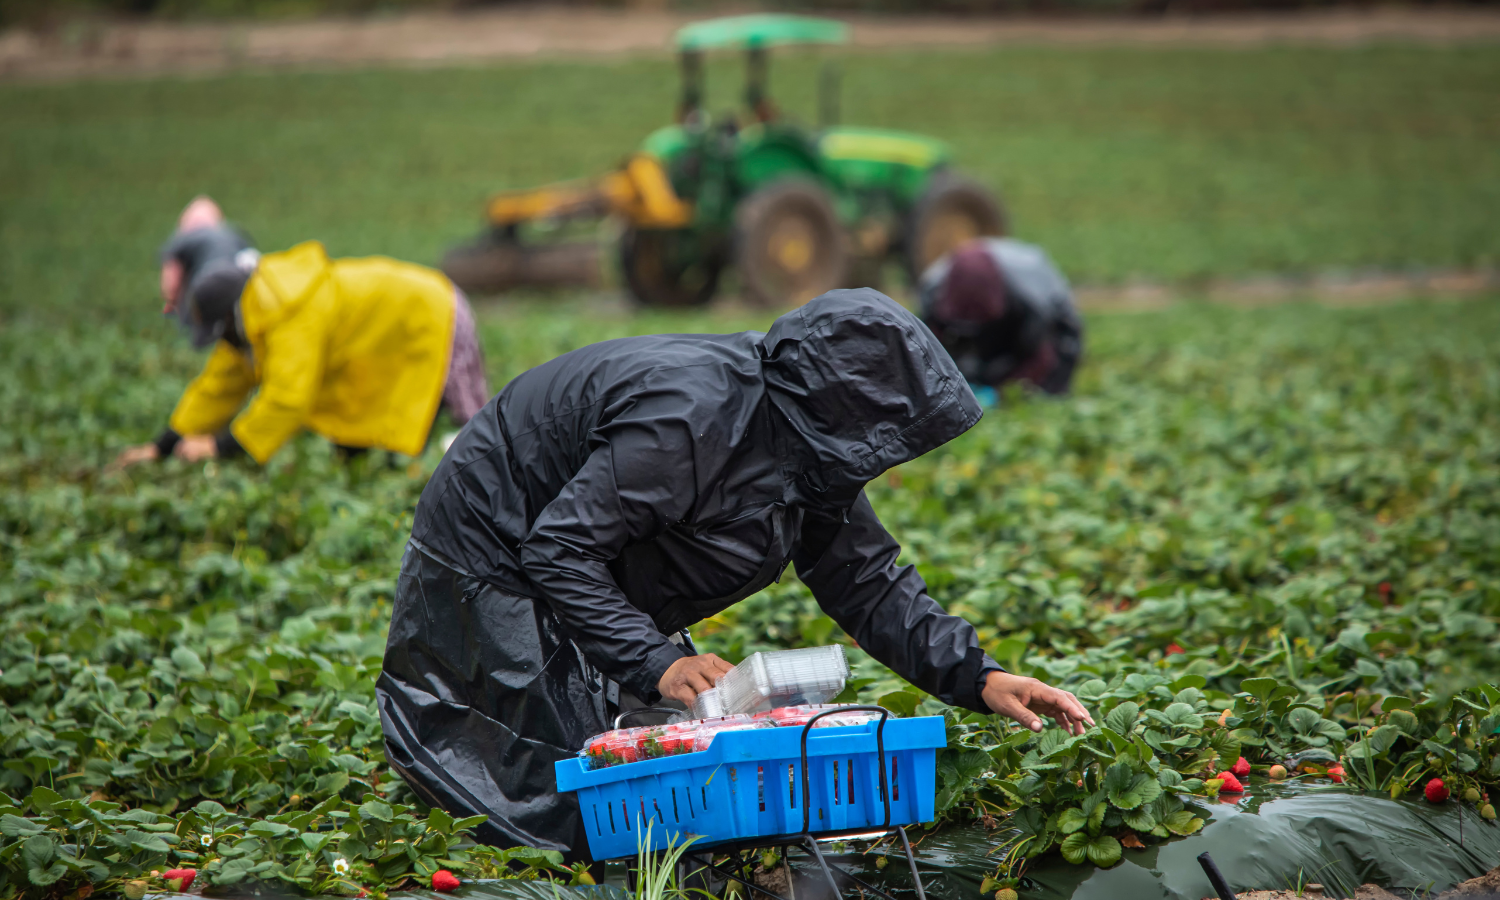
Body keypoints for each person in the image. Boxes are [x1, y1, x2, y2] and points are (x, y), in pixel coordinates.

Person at [377, 288, 1094, 861]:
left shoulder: (811, 451)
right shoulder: (687, 422)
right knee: (556, 788)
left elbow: (865, 579)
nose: (886, 458)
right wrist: (656, 661)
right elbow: (559, 550)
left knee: (642, 744)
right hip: (493, 536)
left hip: (592, 546)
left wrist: (979, 677)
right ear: (839, 408)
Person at [111, 199, 490, 469]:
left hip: (434, 312)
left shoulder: (290, 312)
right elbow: (219, 385)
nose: (220, 344)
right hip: (384, 334)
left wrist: (219, 447)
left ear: (227, 319)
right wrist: (163, 446)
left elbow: (289, 399)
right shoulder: (250, 317)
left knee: (470, 431)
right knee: (362, 448)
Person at [917, 237, 1084, 401]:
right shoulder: (933, 286)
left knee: (1054, 379)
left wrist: (1006, 391)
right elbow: (928, 348)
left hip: (1035, 308)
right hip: (986, 308)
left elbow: (1042, 354)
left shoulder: (1031, 289)